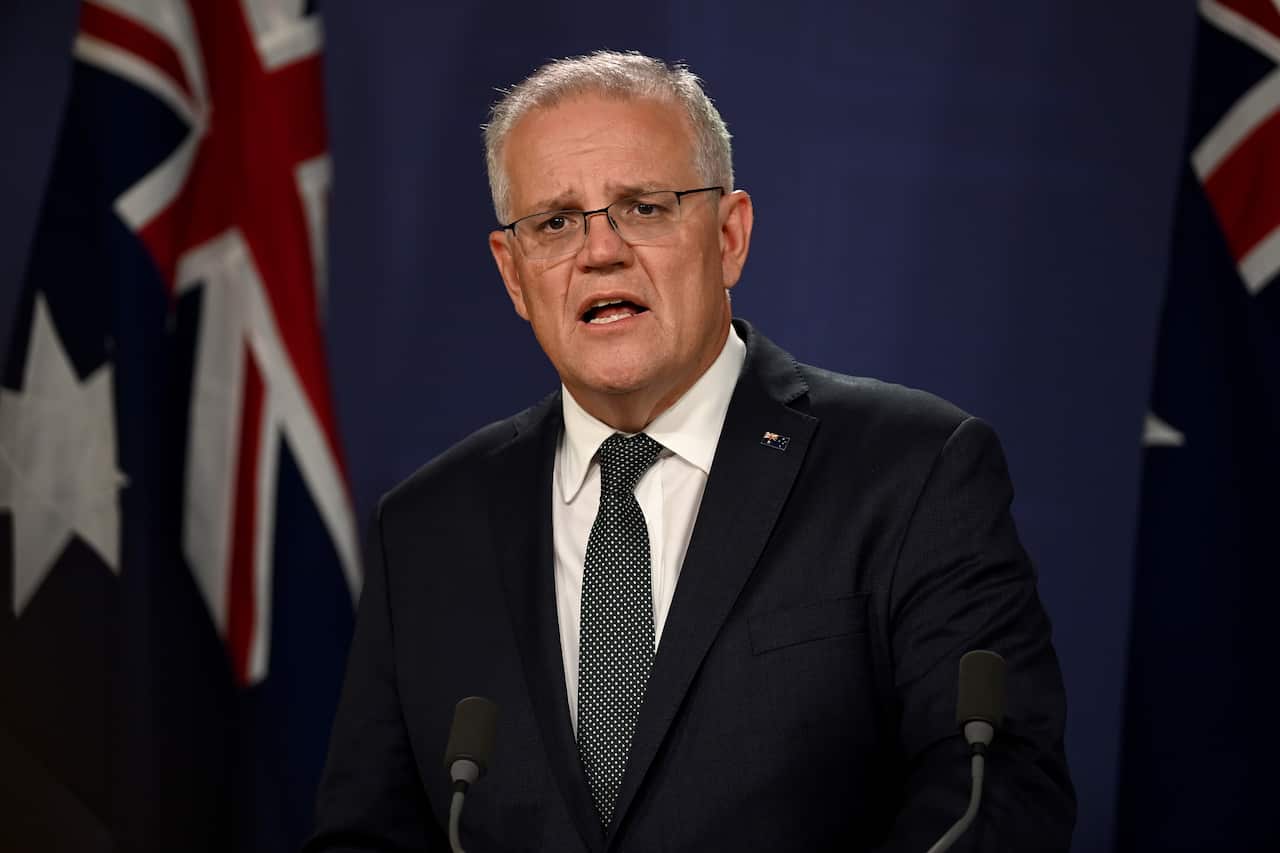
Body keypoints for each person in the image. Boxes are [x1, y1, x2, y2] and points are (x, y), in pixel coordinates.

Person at [308, 51, 1074, 852]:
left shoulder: (914, 471)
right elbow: (366, 834)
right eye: (555, 222)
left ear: (729, 235)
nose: (599, 252)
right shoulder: (427, 529)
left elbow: (996, 797)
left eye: (643, 207)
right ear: (513, 273)